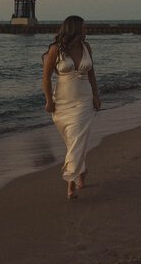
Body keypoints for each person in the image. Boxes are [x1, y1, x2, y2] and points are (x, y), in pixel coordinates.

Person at [43, 15, 101, 199]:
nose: (86, 30)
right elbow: (46, 78)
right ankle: (81, 172)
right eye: (83, 28)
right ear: (74, 29)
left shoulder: (86, 47)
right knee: (73, 141)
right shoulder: (56, 50)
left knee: (77, 139)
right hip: (62, 102)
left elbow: (91, 74)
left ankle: (71, 183)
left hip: (84, 100)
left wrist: (96, 95)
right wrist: (48, 100)